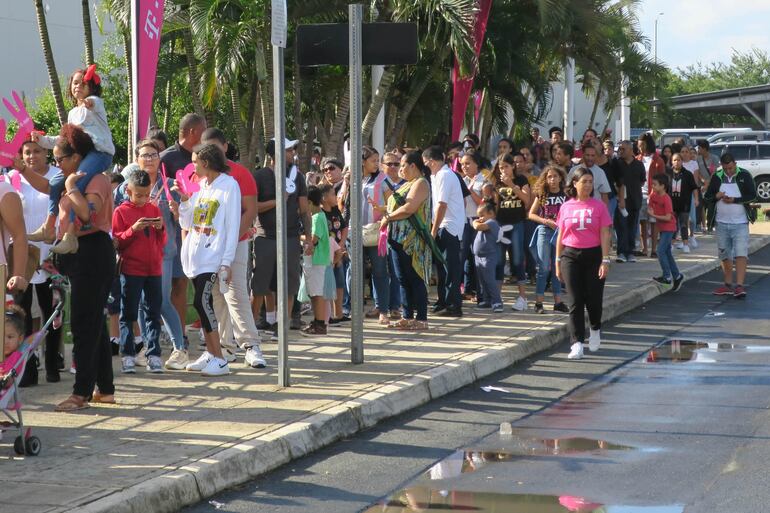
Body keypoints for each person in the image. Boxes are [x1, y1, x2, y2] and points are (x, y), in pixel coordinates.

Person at [51, 124, 115, 412]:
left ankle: (81, 393)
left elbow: (88, 214)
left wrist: (70, 189)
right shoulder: (72, 179)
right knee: (94, 323)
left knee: (83, 325)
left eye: (60, 160)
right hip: (80, 255)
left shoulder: (95, 180)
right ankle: (106, 388)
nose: (57, 165)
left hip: (93, 252)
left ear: (77, 157)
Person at [114, 140, 187, 370]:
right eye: (144, 155)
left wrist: (179, 210)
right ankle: (145, 349)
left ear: (159, 158)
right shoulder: (123, 188)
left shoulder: (171, 185)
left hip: (161, 255)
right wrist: (132, 230)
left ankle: (179, 347)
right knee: (136, 307)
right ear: (136, 160)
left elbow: (183, 219)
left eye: (153, 155)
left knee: (160, 302)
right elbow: (118, 224)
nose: (149, 159)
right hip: (132, 260)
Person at [27, 65, 115, 255]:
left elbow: (92, 104)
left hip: (100, 154)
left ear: (91, 88)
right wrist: (41, 140)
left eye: (84, 84)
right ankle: (49, 226)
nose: (78, 86)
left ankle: (70, 235)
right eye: (75, 83)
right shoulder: (73, 113)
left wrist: (88, 102)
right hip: (85, 155)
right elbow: (64, 140)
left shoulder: (94, 103)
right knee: (56, 182)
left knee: (76, 182)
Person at [199, 128, 265, 369]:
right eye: (207, 148)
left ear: (225, 147)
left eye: (216, 147)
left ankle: (251, 345)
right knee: (216, 294)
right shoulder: (202, 179)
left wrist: (231, 240)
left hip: (236, 243)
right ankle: (224, 346)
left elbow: (250, 211)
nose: (213, 152)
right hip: (210, 246)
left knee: (235, 292)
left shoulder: (240, 174)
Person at [173, 143, 240, 376]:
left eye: (194, 162)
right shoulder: (201, 186)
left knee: (203, 302)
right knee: (202, 305)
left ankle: (220, 358)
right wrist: (183, 201)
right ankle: (211, 354)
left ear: (206, 163)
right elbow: (187, 222)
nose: (192, 166)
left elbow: (232, 227)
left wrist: (226, 261)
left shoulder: (230, 187)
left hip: (214, 256)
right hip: (196, 255)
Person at [251, 138, 311, 336]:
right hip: (265, 238)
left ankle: (282, 325)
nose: (292, 153)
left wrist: (308, 237)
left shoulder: (298, 177)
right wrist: (276, 201)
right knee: (260, 284)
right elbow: (252, 208)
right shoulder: (260, 176)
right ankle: (251, 328)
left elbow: (304, 210)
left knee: (289, 283)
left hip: (291, 238)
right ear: (276, 153)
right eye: (288, 150)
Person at [13, 139, 61, 384]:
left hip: (50, 253)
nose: (32, 156)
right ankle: (27, 368)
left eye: (37, 151)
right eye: (27, 152)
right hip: (23, 253)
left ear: (47, 153)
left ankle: (53, 363)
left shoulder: (57, 176)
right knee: (21, 314)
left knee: (52, 312)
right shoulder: (13, 177)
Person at [112, 169, 167, 374]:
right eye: (138, 195)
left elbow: (163, 241)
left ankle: (153, 354)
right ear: (128, 191)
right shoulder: (120, 211)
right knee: (128, 312)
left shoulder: (153, 209)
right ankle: (127, 354)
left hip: (154, 269)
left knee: (153, 312)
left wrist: (160, 228)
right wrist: (132, 229)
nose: (143, 199)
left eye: (146, 194)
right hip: (131, 269)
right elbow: (118, 243)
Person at [555, 167, 612, 360]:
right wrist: (557, 260)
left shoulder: (599, 206)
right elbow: (561, 235)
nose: (588, 185)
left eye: (590, 181)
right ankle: (577, 343)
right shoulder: (566, 207)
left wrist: (605, 259)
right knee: (575, 300)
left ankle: (595, 327)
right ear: (574, 183)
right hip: (570, 255)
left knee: (593, 299)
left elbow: (605, 233)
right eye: (584, 181)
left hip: (594, 254)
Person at [160, 113, 208, 347]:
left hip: (201, 228)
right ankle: (178, 336)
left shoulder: (206, 158)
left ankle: (189, 335)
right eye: (203, 130)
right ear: (192, 132)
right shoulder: (165, 159)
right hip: (172, 230)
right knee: (172, 283)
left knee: (187, 282)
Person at [381, 151, 432, 331]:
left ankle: (422, 318)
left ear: (413, 166)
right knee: (402, 278)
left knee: (414, 278)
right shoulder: (406, 184)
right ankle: (407, 316)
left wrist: (387, 217)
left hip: (412, 240)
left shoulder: (421, 183)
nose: (400, 169)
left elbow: (410, 208)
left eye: (402, 165)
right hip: (396, 238)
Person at [703, 153, 757, 299]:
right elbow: (707, 197)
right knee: (724, 254)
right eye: (726, 168)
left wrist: (735, 200)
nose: (728, 171)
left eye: (731, 168)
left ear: (735, 163)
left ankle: (739, 286)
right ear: (722, 166)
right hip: (721, 223)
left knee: (740, 253)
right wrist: (717, 196)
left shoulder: (744, 175)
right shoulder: (716, 176)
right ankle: (727, 284)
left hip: (740, 223)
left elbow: (753, 195)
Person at [424, 146, 466, 317]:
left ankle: (454, 305)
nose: (426, 167)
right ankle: (443, 300)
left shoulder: (445, 175)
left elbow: (442, 205)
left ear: (432, 162)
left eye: (426, 164)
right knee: (441, 268)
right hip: (443, 225)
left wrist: (433, 231)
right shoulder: (437, 175)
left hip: (449, 227)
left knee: (450, 268)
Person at [528, 165, 569, 314]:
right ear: (545, 179)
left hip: (560, 232)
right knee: (543, 268)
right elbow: (531, 214)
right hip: (545, 231)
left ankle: (558, 302)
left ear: (560, 178)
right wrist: (545, 221)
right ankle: (539, 303)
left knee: (558, 267)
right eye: (549, 177)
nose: (552, 180)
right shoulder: (542, 195)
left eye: (555, 176)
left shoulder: (566, 195)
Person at [493, 153, 530, 311]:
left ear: (513, 166)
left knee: (517, 259)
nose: (504, 170)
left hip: (517, 223)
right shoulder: (497, 183)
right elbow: (495, 205)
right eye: (501, 168)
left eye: (506, 167)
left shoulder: (521, 180)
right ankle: (497, 297)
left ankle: (522, 297)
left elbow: (526, 201)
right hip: (501, 224)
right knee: (499, 261)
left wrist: (511, 185)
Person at [299, 185, 336, 336]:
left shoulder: (316, 218)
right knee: (314, 293)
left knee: (317, 294)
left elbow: (313, 239)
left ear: (309, 202)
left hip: (317, 261)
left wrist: (297, 236)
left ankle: (320, 324)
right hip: (315, 261)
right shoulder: (319, 217)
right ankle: (317, 321)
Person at [647, 173, 684, 291]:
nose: (653, 186)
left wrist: (653, 214)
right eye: (652, 184)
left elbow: (668, 217)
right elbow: (650, 205)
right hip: (662, 227)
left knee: (660, 251)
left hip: (669, 227)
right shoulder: (654, 196)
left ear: (663, 186)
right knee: (667, 252)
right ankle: (677, 276)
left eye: (655, 185)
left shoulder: (666, 199)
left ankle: (667, 277)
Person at [460, 152, 487, 301]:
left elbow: (483, 204)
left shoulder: (483, 180)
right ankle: (467, 289)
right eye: (462, 164)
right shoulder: (461, 180)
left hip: (478, 221)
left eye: (468, 163)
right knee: (464, 257)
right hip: (464, 221)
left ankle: (481, 292)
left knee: (477, 256)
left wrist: (469, 190)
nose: (464, 166)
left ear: (476, 164)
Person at [614, 140, 646, 263]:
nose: (620, 151)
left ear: (631, 150)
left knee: (632, 227)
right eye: (620, 149)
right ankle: (621, 252)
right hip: (620, 201)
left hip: (635, 200)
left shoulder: (639, 164)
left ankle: (630, 252)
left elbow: (642, 180)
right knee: (621, 226)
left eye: (623, 149)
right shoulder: (617, 163)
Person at [321, 181, 349, 323]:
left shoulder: (336, 210)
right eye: (333, 194)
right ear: (324, 197)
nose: (336, 196)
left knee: (339, 282)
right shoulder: (319, 214)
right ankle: (328, 315)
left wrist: (342, 244)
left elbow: (344, 227)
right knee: (328, 284)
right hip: (327, 255)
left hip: (339, 252)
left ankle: (339, 314)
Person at [637, 133, 665, 258]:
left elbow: (663, 178)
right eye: (639, 145)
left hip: (653, 194)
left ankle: (654, 249)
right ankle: (644, 248)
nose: (640, 148)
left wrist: (658, 194)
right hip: (640, 194)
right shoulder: (638, 159)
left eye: (642, 145)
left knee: (654, 222)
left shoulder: (658, 160)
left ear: (648, 144)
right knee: (642, 222)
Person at [472, 203, 503, 312]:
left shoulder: (492, 222)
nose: (480, 218)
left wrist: (474, 222)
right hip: (478, 256)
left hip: (488, 256)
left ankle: (497, 302)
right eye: (478, 216)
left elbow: (478, 226)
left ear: (491, 214)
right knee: (482, 281)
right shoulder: (486, 221)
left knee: (490, 280)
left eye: (482, 215)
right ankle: (487, 300)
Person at [667, 153, 699, 254]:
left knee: (684, 224)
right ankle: (671, 244)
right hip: (671, 204)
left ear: (682, 161)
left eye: (679, 160)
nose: (677, 162)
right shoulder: (668, 173)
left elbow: (694, 188)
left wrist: (696, 199)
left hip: (684, 203)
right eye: (674, 160)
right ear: (672, 161)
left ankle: (685, 244)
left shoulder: (688, 174)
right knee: (673, 225)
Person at [568, 144, 611, 208]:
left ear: (596, 156)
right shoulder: (574, 170)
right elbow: (568, 190)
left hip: (595, 210)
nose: (590, 158)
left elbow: (604, 195)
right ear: (583, 155)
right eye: (587, 155)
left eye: (592, 155)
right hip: (576, 208)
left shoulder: (600, 172)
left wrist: (605, 212)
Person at [696, 139, 720, 232]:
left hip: (712, 186)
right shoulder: (698, 159)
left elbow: (715, 172)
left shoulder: (714, 158)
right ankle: (702, 225)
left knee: (712, 205)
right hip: (702, 186)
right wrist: (703, 181)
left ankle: (711, 224)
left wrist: (708, 183)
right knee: (702, 206)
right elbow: (697, 171)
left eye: (700, 148)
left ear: (705, 148)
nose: (698, 150)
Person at [0, 306, 26, 381]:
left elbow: (9, 380)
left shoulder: (16, 357)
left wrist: (3, 379)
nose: (5, 342)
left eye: (10, 337)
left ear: (20, 339)